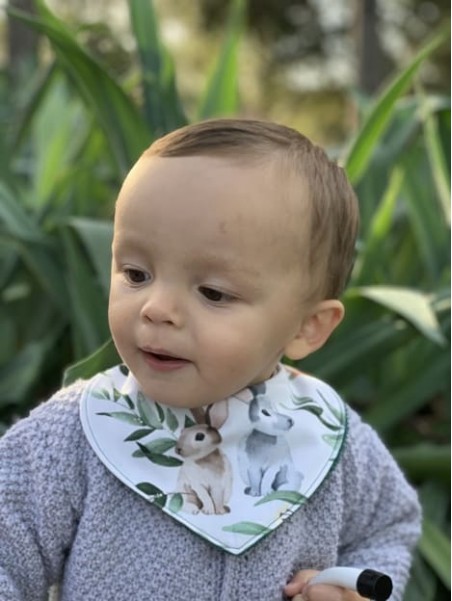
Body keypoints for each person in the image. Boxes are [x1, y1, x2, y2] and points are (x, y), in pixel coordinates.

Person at [0, 119, 421, 601]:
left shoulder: (327, 437)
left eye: (213, 292)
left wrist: (356, 589)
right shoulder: (70, 436)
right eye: (136, 273)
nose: (156, 308)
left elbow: (387, 529)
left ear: (308, 326)